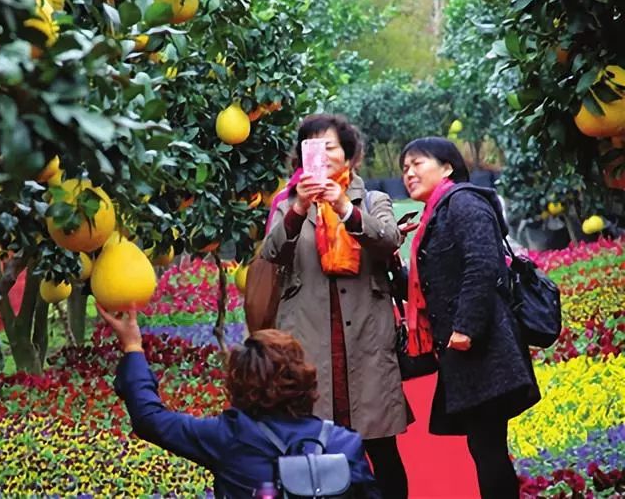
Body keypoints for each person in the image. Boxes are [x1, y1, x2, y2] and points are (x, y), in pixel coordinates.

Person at [260, 114, 410, 498]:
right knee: (316, 450)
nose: (323, 155)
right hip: (309, 337)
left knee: (381, 446)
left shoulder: (372, 199)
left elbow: (389, 239)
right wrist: (298, 209)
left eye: (331, 147)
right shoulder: (288, 204)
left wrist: (344, 208)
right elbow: (272, 252)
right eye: (313, 146)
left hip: (366, 339)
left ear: (350, 155)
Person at [99, 304, 381, 498]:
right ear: (305, 379)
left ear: (238, 383)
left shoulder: (229, 436)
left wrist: (133, 347)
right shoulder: (345, 443)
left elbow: (150, 420)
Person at [399, 137, 540, 498]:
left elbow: (483, 263)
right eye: (404, 168)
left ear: (447, 166)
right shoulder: (438, 211)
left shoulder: (463, 202)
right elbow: (434, 283)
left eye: (417, 163)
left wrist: (466, 327)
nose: (409, 173)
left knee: (487, 446)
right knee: (483, 445)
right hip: (465, 353)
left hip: (482, 348)